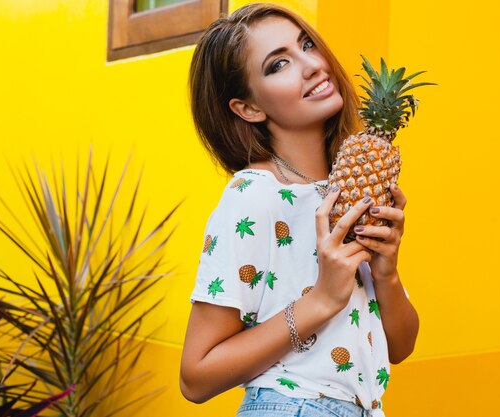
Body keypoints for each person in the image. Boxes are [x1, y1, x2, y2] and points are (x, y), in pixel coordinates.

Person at [180, 3, 419, 416]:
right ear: (249, 108)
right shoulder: (254, 195)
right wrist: (320, 300)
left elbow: (400, 348)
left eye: (307, 44)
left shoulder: (350, 191)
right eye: (279, 65)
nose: (311, 65)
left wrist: (387, 273)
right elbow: (195, 376)